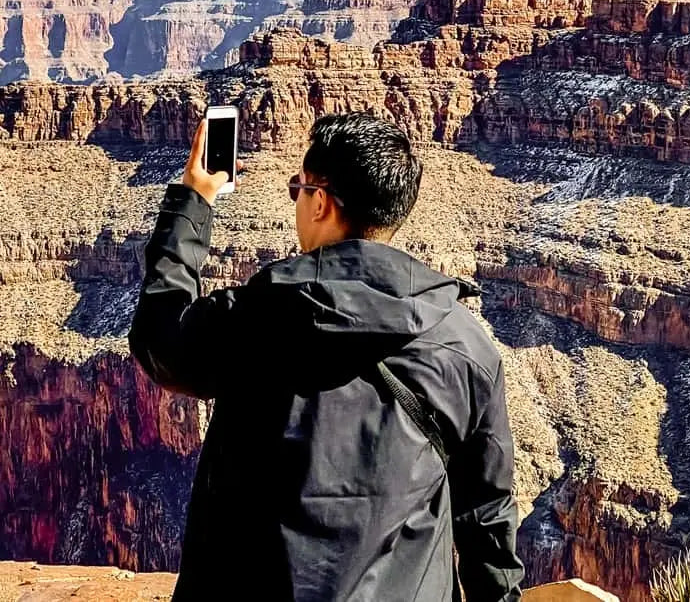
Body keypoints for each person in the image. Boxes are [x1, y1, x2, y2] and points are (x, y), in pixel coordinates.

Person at [128, 111, 525, 601]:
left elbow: (159, 342)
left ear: (320, 202)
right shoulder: (467, 345)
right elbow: (486, 516)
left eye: (298, 188)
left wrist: (194, 202)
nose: (296, 199)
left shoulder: (255, 317)